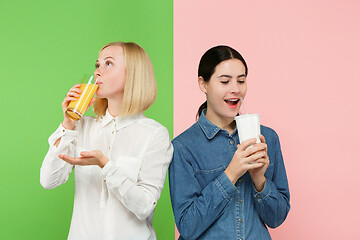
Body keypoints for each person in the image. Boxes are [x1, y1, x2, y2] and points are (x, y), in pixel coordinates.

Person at [40, 42, 173, 240]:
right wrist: (68, 124)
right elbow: (48, 180)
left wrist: (106, 165)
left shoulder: (154, 134)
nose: (98, 71)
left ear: (133, 74)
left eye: (108, 64)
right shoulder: (82, 126)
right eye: (97, 64)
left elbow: (144, 205)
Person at [169, 45, 290, 240]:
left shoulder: (268, 138)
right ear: (203, 84)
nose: (236, 89)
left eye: (241, 81)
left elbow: (277, 218)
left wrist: (259, 180)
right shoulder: (183, 147)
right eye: (225, 81)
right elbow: (188, 227)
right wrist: (231, 174)